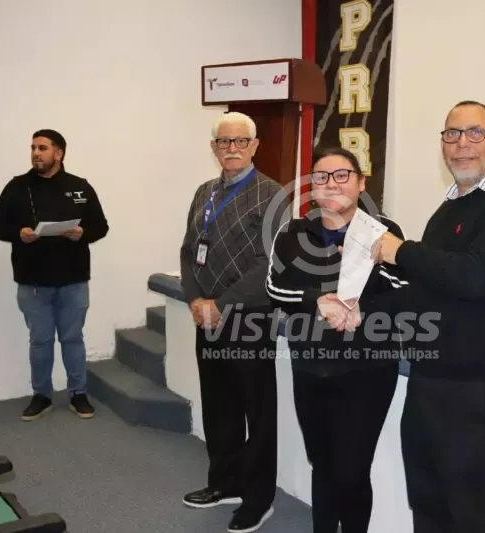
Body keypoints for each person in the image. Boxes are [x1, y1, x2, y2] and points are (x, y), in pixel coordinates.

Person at [374, 101, 485, 532]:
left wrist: (402, 251)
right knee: (428, 504)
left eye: (475, 133)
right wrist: (359, 310)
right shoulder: (449, 208)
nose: (462, 144)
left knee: (471, 514)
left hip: (478, 387)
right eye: (452, 134)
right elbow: (427, 288)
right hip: (431, 377)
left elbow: (476, 276)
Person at [265, 146, 408, 533]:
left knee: (353, 469)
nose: (331, 183)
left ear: (361, 183)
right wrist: (317, 300)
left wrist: (364, 301)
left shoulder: (384, 231)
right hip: (310, 368)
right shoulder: (293, 233)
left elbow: (407, 290)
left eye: (342, 175)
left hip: (367, 370)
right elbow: (275, 289)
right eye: (321, 177)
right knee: (323, 463)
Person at [179, 111, 287, 533]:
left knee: (256, 413)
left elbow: (270, 263)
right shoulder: (204, 192)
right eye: (224, 142)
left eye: (241, 141)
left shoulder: (273, 194)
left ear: (255, 146)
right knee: (218, 407)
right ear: (214, 147)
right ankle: (224, 483)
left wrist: (220, 304)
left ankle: (258, 499)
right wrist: (195, 299)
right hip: (207, 318)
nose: (232, 149)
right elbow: (189, 250)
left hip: (248, 319)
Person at [0, 129, 109, 422]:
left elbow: (101, 226)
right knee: (40, 341)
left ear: (59, 153)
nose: (36, 153)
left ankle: (78, 394)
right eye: (33, 147)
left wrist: (83, 233)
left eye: (42, 148)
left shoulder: (80, 187)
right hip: (33, 281)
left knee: (72, 339)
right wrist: (18, 233)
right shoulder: (17, 187)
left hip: (74, 279)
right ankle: (41, 396)